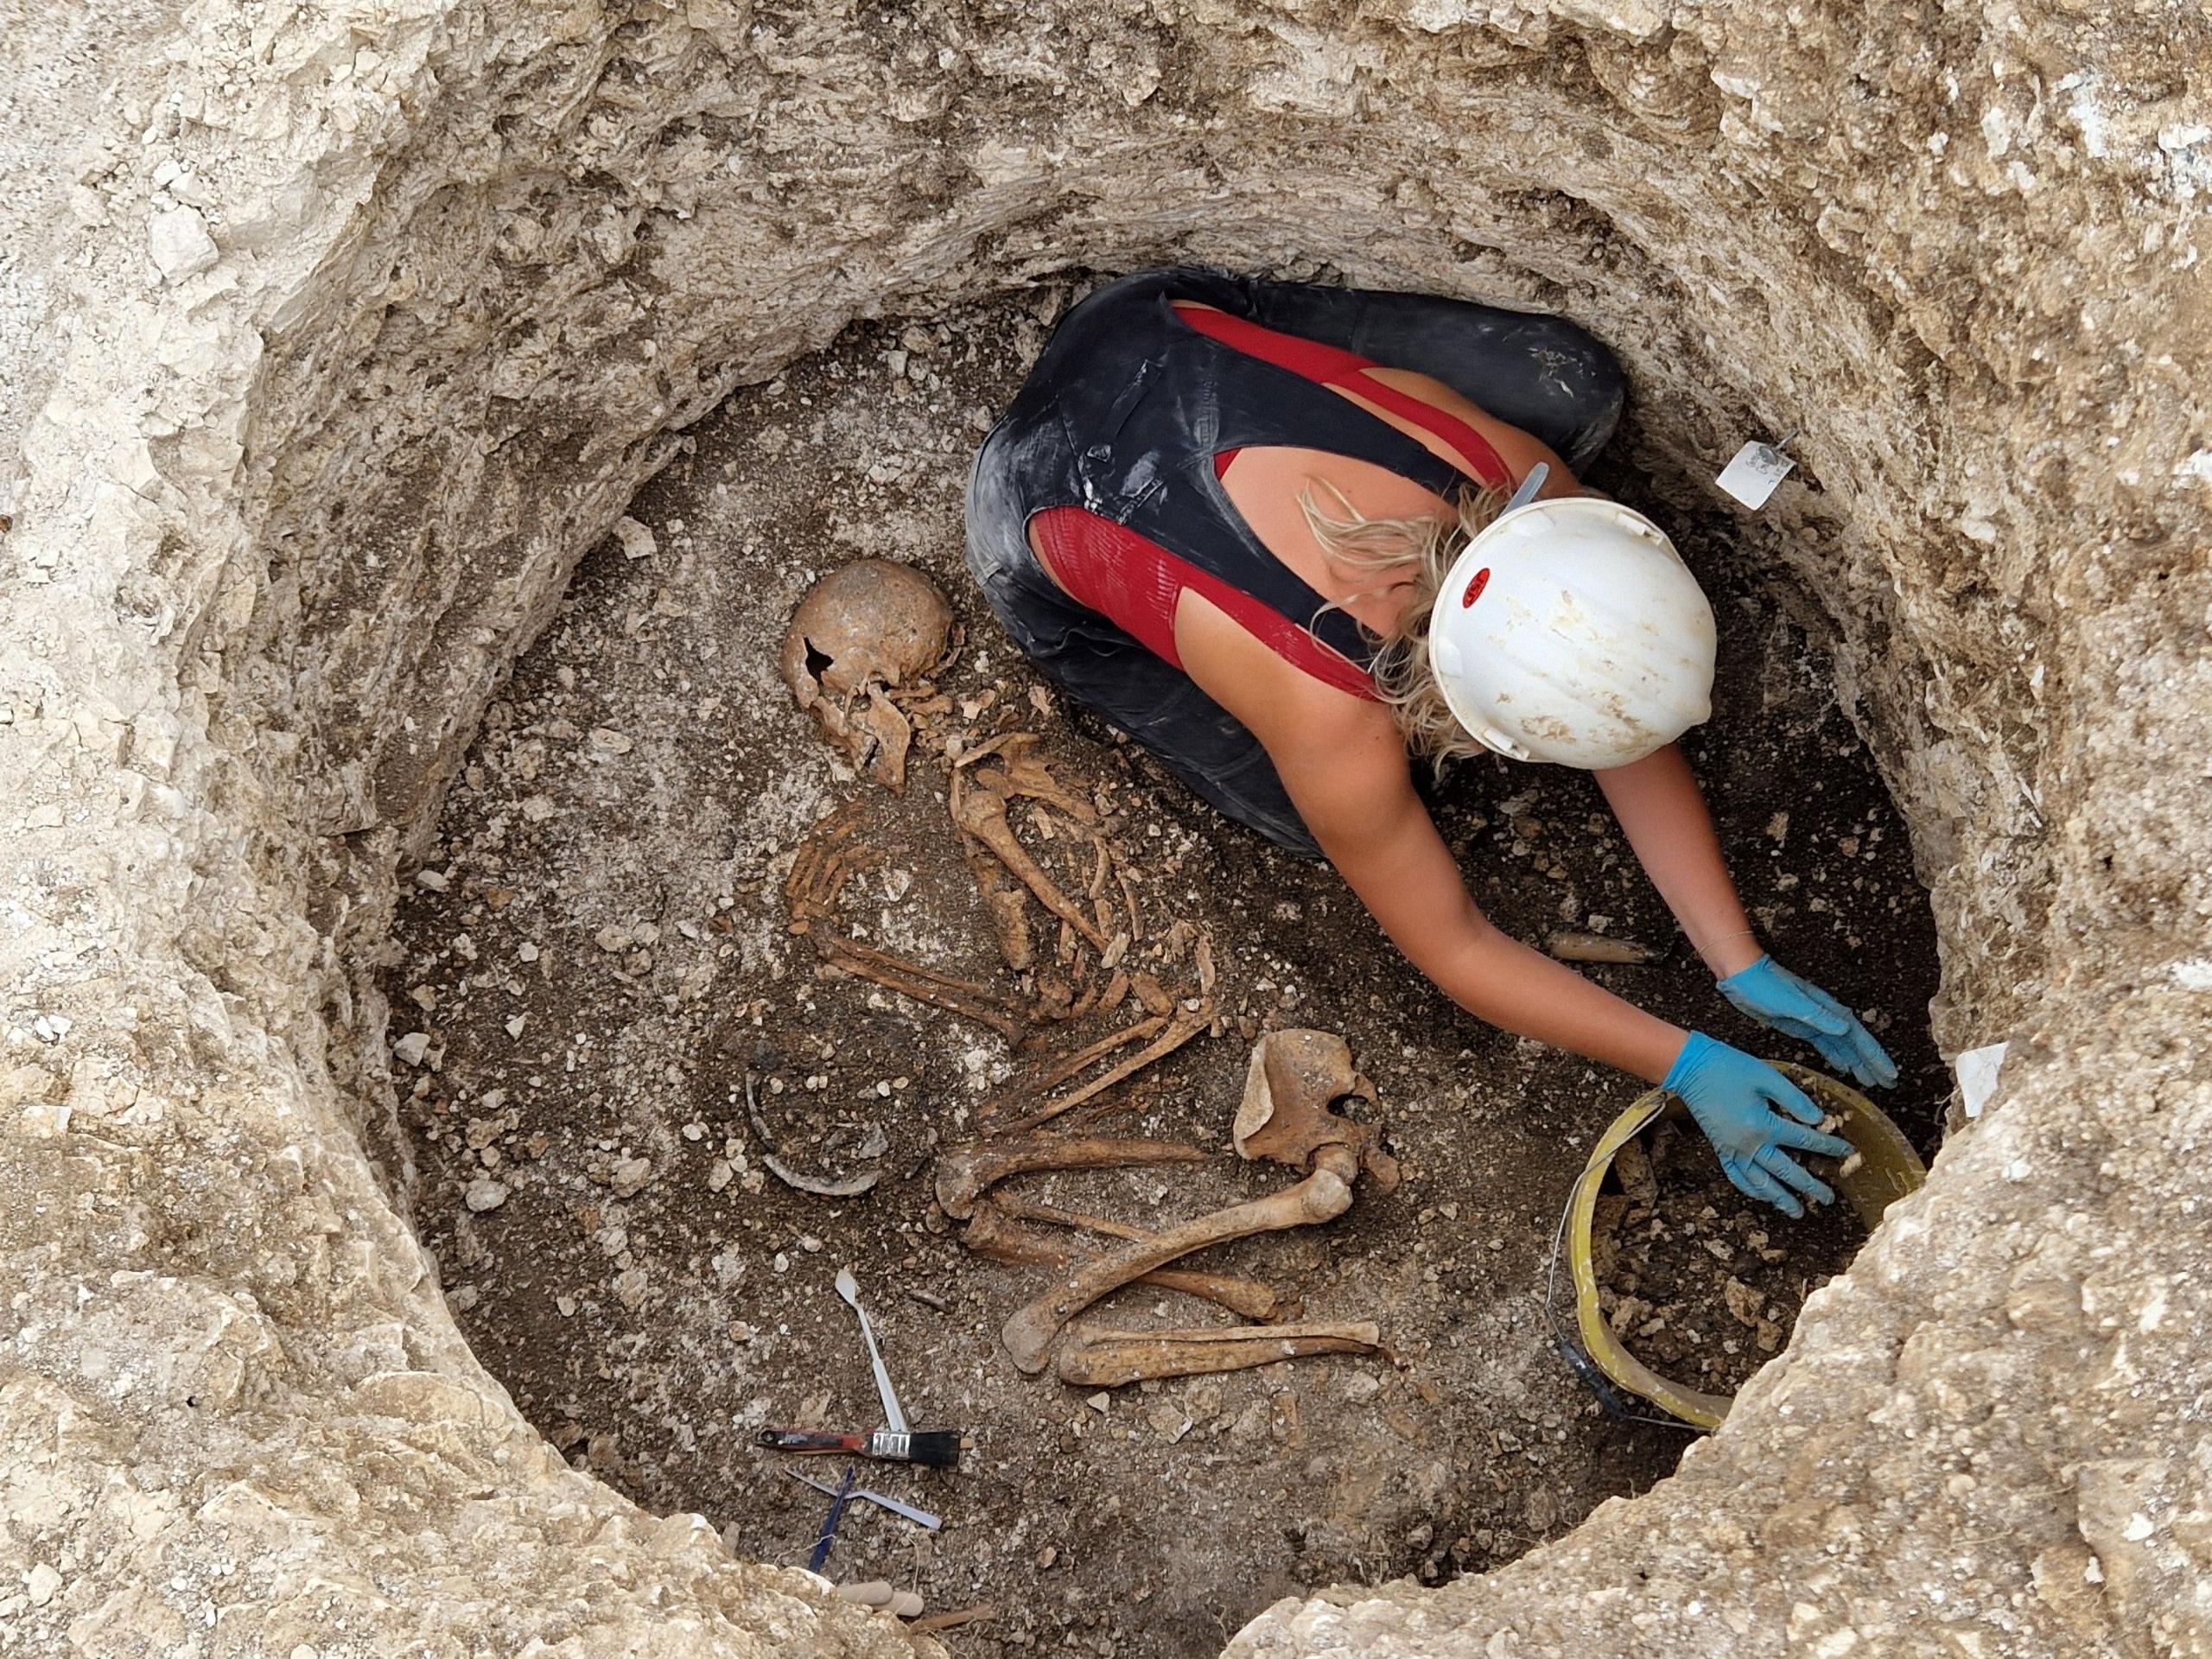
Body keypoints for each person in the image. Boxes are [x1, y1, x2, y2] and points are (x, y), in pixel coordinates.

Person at [964, 268, 1896, 1217]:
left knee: (1572, 384)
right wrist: (1687, 1064)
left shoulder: (1521, 486)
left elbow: (1610, 702)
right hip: (1034, 485)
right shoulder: (1331, 720)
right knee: (1302, 818)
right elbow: (1452, 946)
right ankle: (1084, 608)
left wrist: (1735, 958)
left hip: (1156, 334)